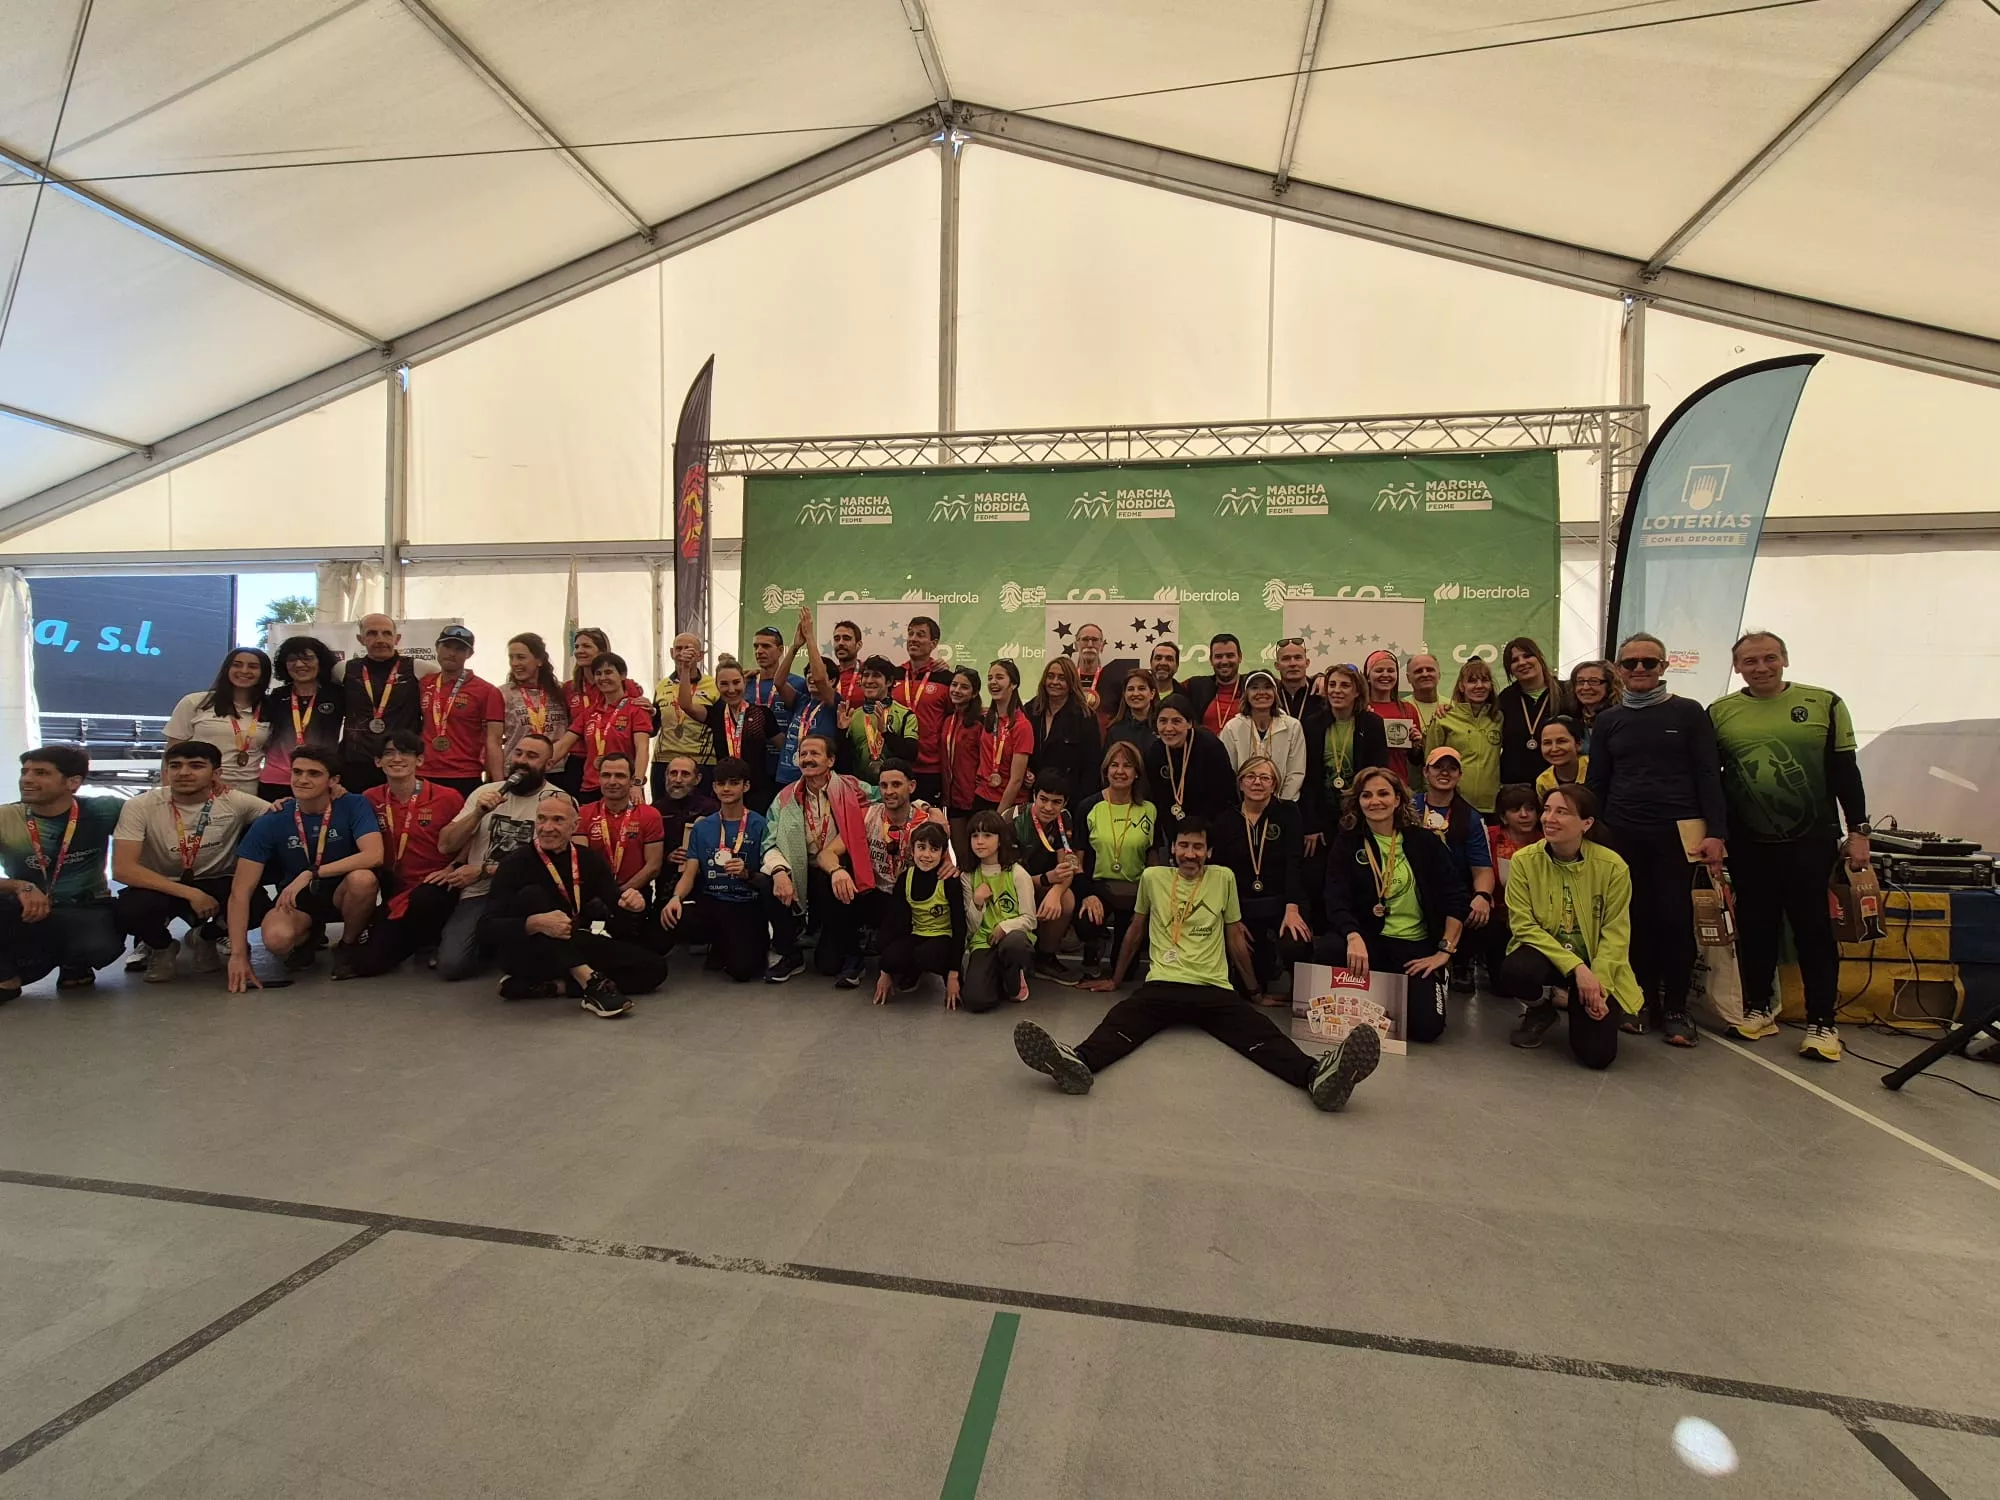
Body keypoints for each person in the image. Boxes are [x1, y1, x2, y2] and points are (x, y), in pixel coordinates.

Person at [1014, 817, 1379, 1111]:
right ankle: (1076, 1062)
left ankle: (1317, 1076)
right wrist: (1114, 978)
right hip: (1162, 985)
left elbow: (1235, 937)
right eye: (1184, 845)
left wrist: (1254, 992)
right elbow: (1135, 931)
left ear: (1209, 851)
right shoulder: (1153, 877)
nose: (1190, 853)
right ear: (1173, 849)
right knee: (1120, 1021)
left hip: (1213, 989)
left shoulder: (1223, 878)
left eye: (1198, 847)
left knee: (1261, 1034)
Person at [1710, 630, 1871, 1061]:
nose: (1760, 667)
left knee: (1813, 930)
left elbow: (1845, 773)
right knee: (1757, 926)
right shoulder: (1720, 713)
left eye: (1769, 658)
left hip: (1811, 840)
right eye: (1749, 661)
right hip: (1749, 842)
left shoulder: (1825, 704)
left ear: (1784, 659)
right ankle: (1759, 1008)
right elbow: (1713, 781)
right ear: (1737, 666)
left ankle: (1823, 1024)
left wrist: (1859, 832)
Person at [1585, 632, 1728, 1047]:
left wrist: (1716, 833)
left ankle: (1678, 1007)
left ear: (1665, 667)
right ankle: (1639, 999)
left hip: (1679, 835)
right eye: (1631, 663)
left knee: (1675, 919)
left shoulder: (1689, 713)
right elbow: (1598, 782)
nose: (1641, 669)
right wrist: (1592, 834)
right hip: (1623, 832)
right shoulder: (1609, 720)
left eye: (1650, 662)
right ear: (1619, 669)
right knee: (1631, 918)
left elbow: (1708, 775)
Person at [1494, 785, 1641, 1068]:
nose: (1549, 818)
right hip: (1548, 956)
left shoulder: (1613, 867)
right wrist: (1576, 968)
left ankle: (1581, 1004)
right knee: (1516, 971)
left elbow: (1616, 933)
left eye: (1562, 812)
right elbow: (1523, 926)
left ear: (1586, 823)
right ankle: (1541, 1009)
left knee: (1597, 1056)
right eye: (1547, 810)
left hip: (1595, 964)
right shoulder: (1524, 861)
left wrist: (1598, 983)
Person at [480, 792, 667, 1015]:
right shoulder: (514, 864)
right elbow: (485, 929)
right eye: (542, 819)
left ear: (575, 825)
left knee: (654, 969)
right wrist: (533, 923)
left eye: (558, 820)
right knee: (532, 895)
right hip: (527, 951)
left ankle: (555, 987)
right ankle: (590, 983)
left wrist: (635, 905)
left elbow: (617, 910)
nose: (547, 827)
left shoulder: (588, 860)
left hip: (571, 943)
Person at [1320, 766, 1468, 1045]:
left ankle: (1431, 982)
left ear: (1398, 799)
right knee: (1328, 949)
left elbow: (1455, 898)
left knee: (1427, 1029)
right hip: (1368, 943)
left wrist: (1444, 951)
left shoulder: (1424, 842)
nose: (1375, 801)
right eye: (1367, 795)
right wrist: (1353, 935)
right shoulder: (1348, 842)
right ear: (1358, 801)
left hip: (1414, 948)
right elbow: (1335, 897)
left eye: (1383, 794)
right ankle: (1376, 989)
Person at [113, 741, 271, 981]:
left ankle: (206, 936)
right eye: (175, 766)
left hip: (216, 880)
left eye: (196, 766)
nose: (183, 773)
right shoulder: (139, 806)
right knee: (128, 910)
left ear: (216, 774)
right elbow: (123, 869)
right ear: (165, 771)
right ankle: (162, 946)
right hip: (162, 883)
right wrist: (191, 894)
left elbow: (287, 816)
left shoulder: (236, 801)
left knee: (258, 905)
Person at [225, 746, 383, 987]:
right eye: (297, 772)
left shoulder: (353, 804)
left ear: (333, 780)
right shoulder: (274, 818)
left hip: (342, 892)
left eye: (313, 774)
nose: (302, 780)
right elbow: (240, 892)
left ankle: (347, 945)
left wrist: (312, 872)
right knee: (276, 938)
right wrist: (238, 955)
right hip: (297, 898)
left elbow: (374, 855)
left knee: (363, 879)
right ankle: (308, 938)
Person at [433, 734, 563, 981]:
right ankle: (495, 941)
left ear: (549, 765)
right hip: (480, 894)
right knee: (451, 967)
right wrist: (478, 814)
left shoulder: (558, 801)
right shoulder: (486, 792)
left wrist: (483, 870)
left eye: (532, 757)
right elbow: (445, 844)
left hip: (527, 895)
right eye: (518, 753)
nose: (522, 761)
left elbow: (553, 862)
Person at [0, 745, 126, 997]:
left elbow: (163, 808)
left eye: (41, 773)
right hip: (25, 907)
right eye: (25, 772)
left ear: (73, 782)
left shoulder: (105, 810)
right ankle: (6, 977)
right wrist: (19, 886)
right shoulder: (5, 817)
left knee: (99, 946)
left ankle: (73, 962)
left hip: (84, 906)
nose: (27, 779)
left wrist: (216, 788)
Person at [352, 730, 469, 978]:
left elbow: (470, 839)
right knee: (366, 965)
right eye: (388, 753)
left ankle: (434, 939)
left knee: (426, 899)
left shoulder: (448, 797)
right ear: (377, 761)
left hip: (435, 886)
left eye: (405, 752)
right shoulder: (368, 799)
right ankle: (402, 938)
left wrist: (452, 868)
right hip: (395, 887)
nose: (397, 758)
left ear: (419, 760)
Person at [763, 732, 875, 985]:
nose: (808, 759)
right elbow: (768, 844)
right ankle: (791, 953)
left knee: (828, 965)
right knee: (766, 880)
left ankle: (852, 955)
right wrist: (779, 872)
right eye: (803, 754)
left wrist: (925, 808)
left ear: (831, 761)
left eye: (815, 753)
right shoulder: (784, 798)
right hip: (799, 873)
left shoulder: (852, 787)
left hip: (837, 872)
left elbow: (888, 797)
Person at [1208, 755, 1311, 1006]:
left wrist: (1293, 908)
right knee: (1246, 988)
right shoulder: (1225, 820)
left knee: (1296, 942)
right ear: (1240, 783)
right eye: (1251, 777)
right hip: (1243, 907)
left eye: (1265, 778)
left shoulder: (1288, 813)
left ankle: (1298, 989)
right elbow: (1219, 873)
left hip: (1281, 903)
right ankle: (1262, 971)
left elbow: (1294, 863)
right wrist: (1232, 920)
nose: (1258, 783)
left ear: (1274, 784)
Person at [660, 757, 771, 983]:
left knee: (742, 972)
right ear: (713, 787)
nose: (726, 789)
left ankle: (734, 944)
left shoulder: (760, 824)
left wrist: (746, 873)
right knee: (672, 917)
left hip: (746, 903)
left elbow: (768, 876)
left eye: (733, 782)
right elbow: (690, 872)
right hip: (712, 902)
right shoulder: (702, 827)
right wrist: (675, 898)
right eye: (721, 783)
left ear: (746, 786)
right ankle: (719, 941)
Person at [1411, 747, 1496, 993]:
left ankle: (1461, 962)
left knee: (1477, 909)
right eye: (1438, 767)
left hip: (1452, 892)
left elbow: (1482, 869)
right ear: (1426, 772)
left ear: (1459, 775)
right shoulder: (1407, 807)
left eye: (1451, 768)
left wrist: (1482, 896)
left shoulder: (1471, 817)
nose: (1444, 772)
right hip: (1410, 887)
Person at [1076, 740, 1156, 981]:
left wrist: (1152, 902)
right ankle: (1094, 942)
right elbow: (1076, 860)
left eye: (1127, 766)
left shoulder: (1149, 810)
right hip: (1099, 888)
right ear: (1105, 770)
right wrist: (1086, 894)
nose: (1120, 771)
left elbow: (1154, 859)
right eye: (1114, 765)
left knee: (1129, 973)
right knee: (1085, 921)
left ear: (1137, 773)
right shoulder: (1089, 806)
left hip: (1136, 892)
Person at [334, 614, 435, 794]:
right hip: (356, 764)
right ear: (361, 639)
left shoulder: (419, 668)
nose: (380, 639)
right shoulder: (343, 669)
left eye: (387, 633)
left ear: (397, 639)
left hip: (400, 761)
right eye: (372, 633)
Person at [575, 752, 666, 946]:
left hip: (633, 892)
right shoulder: (584, 813)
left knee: (645, 948)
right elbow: (581, 862)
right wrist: (606, 894)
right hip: (593, 892)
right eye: (606, 775)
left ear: (632, 780)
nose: (612, 781)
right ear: (598, 778)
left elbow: (653, 867)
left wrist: (620, 894)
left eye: (620, 776)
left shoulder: (650, 815)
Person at [872, 821, 966, 1004]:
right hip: (917, 935)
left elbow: (959, 927)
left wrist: (954, 975)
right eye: (921, 848)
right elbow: (893, 923)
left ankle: (946, 971)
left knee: (926, 955)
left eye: (933, 849)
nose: (926, 855)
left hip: (942, 937)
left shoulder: (949, 881)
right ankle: (911, 971)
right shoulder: (905, 879)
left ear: (942, 852)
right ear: (912, 850)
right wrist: (885, 970)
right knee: (886, 951)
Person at [1302, 664, 1388, 847]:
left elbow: (1379, 772)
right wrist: (1311, 825)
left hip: (1362, 812)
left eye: (1344, 685)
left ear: (1357, 691)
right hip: (1323, 815)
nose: (1337, 691)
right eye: (1332, 685)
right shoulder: (1312, 725)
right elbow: (1308, 778)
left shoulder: (1372, 724)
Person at [679, 659, 780, 812]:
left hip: (758, 792)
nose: (731, 689)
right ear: (717, 686)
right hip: (725, 791)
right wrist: (685, 669)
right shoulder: (714, 713)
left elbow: (783, 746)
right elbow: (686, 705)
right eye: (724, 684)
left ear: (744, 682)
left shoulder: (762, 713)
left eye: (736, 682)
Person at [166, 648, 272, 793]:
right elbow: (172, 752)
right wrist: (168, 791)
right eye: (237, 665)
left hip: (249, 792)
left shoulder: (270, 709)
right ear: (227, 668)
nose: (244, 670)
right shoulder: (196, 702)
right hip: (201, 789)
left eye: (253, 666)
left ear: (263, 673)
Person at [960, 810, 1036, 1011]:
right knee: (976, 1001)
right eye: (975, 836)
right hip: (982, 941)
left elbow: (1030, 919)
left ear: (1000, 840)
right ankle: (996, 975)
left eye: (987, 835)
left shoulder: (1018, 874)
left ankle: (1015, 976)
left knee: (1015, 944)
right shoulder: (968, 876)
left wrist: (1005, 926)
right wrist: (977, 903)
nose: (980, 841)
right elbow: (971, 927)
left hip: (1011, 938)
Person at [1012, 773, 1085, 983]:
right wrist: (1046, 879)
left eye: (1056, 802)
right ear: (1033, 796)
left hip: (1041, 883)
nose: (1048, 808)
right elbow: (1008, 877)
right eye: (1043, 799)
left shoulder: (1065, 819)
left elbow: (1068, 865)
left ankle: (1046, 957)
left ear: (1065, 803)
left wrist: (1056, 891)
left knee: (1066, 898)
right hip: (1011, 886)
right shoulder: (1014, 819)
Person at [417, 624, 504, 800]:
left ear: (469, 654)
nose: (452, 653)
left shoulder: (487, 691)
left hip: (464, 775)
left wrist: (499, 784)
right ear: (437, 647)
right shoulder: (423, 684)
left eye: (460, 649)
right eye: (447, 646)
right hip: (423, 772)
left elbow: (493, 740)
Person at [554, 652, 652, 804]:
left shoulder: (636, 708)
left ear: (623, 675)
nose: (603, 677)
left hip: (624, 787)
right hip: (591, 787)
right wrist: (538, 762)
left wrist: (637, 784)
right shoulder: (589, 713)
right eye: (598, 674)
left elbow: (642, 748)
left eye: (608, 672)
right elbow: (563, 745)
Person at [1144, 693, 1235, 849]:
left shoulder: (1210, 747)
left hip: (1212, 832)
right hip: (1175, 834)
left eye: (1176, 721)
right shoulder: (1155, 752)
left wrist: (1201, 835)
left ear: (1189, 723)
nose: (1168, 728)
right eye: (1163, 721)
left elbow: (1222, 797)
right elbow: (1159, 799)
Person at [261, 635, 344, 802]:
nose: (299, 664)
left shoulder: (337, 694)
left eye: (308, 658)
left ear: (320, 661)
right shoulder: (277, 696)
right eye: (292, 659)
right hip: (275, 780)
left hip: (318, 779)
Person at [1428, 657, 1504, 816]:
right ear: (1462, 686)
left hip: (1491, 805)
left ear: (1491, 686)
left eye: (1484, 680)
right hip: (1452, 803)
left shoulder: (1499, 718)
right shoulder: (1444, 718)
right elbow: (1429, 763)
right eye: (1472, 681)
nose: (1479, 686)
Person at [893, 614, 956, 804]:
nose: (913, 638)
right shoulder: (894, 675)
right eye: (910, 633)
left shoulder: (946, 678)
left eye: (920, 634)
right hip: (897, 765)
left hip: (930, 768)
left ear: (933, 643)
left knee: (928, 827)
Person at [862, 760, 949, 896]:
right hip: (876, 896)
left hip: (915, 898)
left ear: (911, 786)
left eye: (896, 785)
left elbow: (946, 862)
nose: (889, 791)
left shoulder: (927, 822)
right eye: (884, 786)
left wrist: (948, 865)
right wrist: (836, 870)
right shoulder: (868, 815)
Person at [1219, 669, 1304, 801]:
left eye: (1267, 687)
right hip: (1242, 805)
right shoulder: (1232, 727)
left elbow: (1295, 772)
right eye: (1254, 688)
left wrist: (1282, 804)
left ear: (1275, 693)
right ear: (1246, 694)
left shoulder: (1292, 726)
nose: (1261, 692)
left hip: (1282, 804)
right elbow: (1227, 772)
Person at [1028, 657, 1102, 807]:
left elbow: (1092, 767)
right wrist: (1025, 772)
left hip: (1070, 800)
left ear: (1071, 682)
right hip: (1033, 796)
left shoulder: (1085, 716)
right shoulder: (1030, 710)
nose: (1054, 682)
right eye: (1050, 676)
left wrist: (1082, 804)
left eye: (1062, 678)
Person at [1496, 636, 1567, 791]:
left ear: (1539, 658)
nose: (1522, 662)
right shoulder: (1505, 699)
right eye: (1514, 660)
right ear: (1510, 669)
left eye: (1527, 656)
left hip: (1558, 786)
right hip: (1515, 788)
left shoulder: (1566, 693)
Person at [652, 633, 717, 801]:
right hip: (664, 759)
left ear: (700, 656)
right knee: (662, 812)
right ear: (672, 653)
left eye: (689, 649)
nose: (683, 653)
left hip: (702, 760)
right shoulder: (662, 685)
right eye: (679, 649)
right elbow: (653, 726)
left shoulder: (713, 685)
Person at [838, 655, 918, 784]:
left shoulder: (906, 715)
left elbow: (911, 754)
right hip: (859, 790)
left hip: (893, 790)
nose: (869, 680)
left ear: (889, 681)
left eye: (876, 675)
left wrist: (885, 732)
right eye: (866, 675)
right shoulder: (852, 716)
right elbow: (843, 763)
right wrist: (841, 733)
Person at [500, 633, 572, 774]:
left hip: (556, 770)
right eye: (511, 657)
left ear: (539, 660)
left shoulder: (562, 691)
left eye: (521, 657)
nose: (515, 663)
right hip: (518, 769)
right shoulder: (502, 693)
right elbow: (492, 739)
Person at [973, 659, 1033, 815]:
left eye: (999, 677)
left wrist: (999, 815)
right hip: (982, 798)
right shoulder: (988, 719)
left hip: (1009, 805)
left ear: (1013, 684)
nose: (993, 682)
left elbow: (1017, 780)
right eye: (990, 678)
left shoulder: (1022, 726)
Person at [653, 754, 717, 893]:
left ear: (697, 779)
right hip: (666, 885)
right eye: (673, 773)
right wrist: (667, 857)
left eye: (685, 774)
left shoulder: (712, 810)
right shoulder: (654, 810)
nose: (678, 779)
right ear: (665, 776)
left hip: (705, 885)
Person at [940, 666, 984, 866]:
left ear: (974, 693)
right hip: (952, 799)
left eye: (964, 687)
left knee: (980, 856)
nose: (957, 690)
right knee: (962, 857)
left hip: (975, 799)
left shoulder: (981, 722)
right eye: (954, 685)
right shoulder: (948, 719)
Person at [1362, 650, 1424, 785]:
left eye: (1391, 670)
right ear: (1367, 676)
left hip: (1398, 783)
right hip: (1365, 783)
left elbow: (1415, 760)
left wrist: (1416, 745)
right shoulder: (1359, 709)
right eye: (1379, 670)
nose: (1385, 675)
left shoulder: (1408, 710)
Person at [1185, 633, 1245, 734]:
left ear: (1240, 657)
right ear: (1211, 660)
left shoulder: (1252, 685)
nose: (1224, 661)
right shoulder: (1195, 686)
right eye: (1218, 656)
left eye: (1230, 655)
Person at [1566, 659, 1621, 755]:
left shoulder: (1620, 718)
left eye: (1594, 681)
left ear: (1610, 685)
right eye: (1580, 681)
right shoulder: (1571, 720)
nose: (1586, 687)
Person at [1104, 669, 1159, 756]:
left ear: (1152, 693)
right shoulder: (1115, 732)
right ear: (1125, 694)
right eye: (1130, 689)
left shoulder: (1161, 728)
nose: (1136, 693)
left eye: (1141, 688)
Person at [1534, 717, 1588, 799]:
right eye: (1547, 743)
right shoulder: (1543, 782)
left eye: (1562, 741)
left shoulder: (1595, 767)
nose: (1554, 749)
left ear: (1578, 744)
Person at [1406, 653, 1451, 741]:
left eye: (1430, 670)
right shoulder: (1401, 707)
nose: (1425, 674)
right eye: (1418, 671)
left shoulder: (1452, 706)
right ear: (1408, 678)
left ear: (1439, 675)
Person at [1273, 637, 1320, 722]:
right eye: (1286, 659)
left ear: (1307, 662)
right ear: (1277, 665)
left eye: (1298, 658)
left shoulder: (1320, 692)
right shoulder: (1271, 694)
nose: (1293, 663)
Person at [828, 619, 867, 706]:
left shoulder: (868, 672)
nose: (840, 643)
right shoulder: (828, 674)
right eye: (837, 639)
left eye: (846, 638)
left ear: (859, 645)